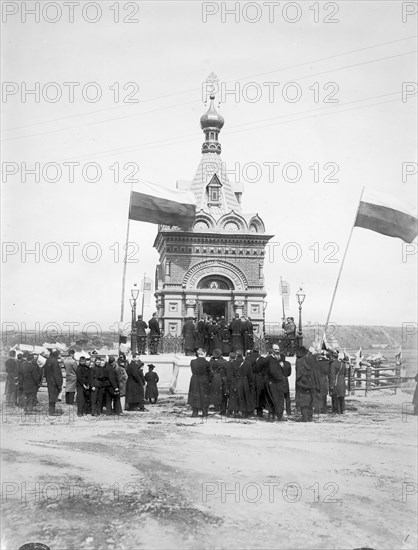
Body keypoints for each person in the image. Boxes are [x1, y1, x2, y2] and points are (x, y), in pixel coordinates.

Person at [228, 350, 255, 418]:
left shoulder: (232, 363)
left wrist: (230, 383)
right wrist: (250, 384)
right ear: (243, 355)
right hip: (244, 381)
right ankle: (244, 412)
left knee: (235, 396)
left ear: (236, 356)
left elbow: (229, 375)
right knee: (244, 397)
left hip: (235, 381)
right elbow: (250, 375)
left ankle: (235, 411)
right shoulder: (247, 363)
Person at [187, 348, 213, 417]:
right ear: (204, 353)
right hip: (204, 380)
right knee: (204, 395)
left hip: (194, 379)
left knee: (195, 395)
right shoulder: (207, 363)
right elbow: (210, 374)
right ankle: (205, 412)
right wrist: (210, 381)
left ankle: (195, 412)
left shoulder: (192, 361)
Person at [264, 345, 285, 421]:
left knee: (279, 398)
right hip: (272, 381)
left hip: (278, 381)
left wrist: (282, 366)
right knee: (272, 398)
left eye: (278, 349)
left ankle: (278, 415)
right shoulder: (269, 358)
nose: (277, 351)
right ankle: (272, 415)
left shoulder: (280, 358)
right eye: (275, 349)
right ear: (272, 350)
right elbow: (272, 371)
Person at [295, 346, 314, 422]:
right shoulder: (310, 359)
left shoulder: (300, 360)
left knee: (303, 401)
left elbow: (299, 373)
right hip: (311, 382)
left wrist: (298, 380)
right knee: (310, 400)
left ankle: (305, 417)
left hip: (302, 382)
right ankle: (310, 417)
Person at [43, 350, 63, 416]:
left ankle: (51, 411)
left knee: (51, 396)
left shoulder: (48, 360)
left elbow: (45, 371)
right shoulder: (55, 362)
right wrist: (59, 384)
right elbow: (57, 374)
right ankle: (52, 411)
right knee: (53, 397)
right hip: (54, 382)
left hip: (49, 381)